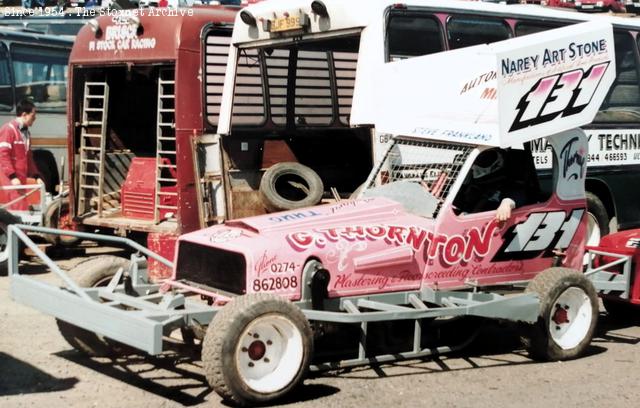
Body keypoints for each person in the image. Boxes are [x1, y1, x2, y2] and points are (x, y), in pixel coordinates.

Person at [453, 148, 532, 222]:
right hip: (464, 220)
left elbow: (518, 194)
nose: (474, 169)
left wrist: (507, 203)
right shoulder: (468, 181)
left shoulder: (507, 182)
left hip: (490, 223)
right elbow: (458, 201)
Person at [0, 100, 42, 211]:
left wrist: (36, 176)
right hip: (9, 179)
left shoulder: (27, 133)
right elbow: (3, 156)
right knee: (17, 208)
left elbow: (29, 158)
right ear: (24, 114)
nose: (35, 118)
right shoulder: (8, 129)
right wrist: (12, 177)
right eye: (33, 115)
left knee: (22, 208)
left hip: (20, 179)